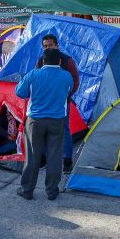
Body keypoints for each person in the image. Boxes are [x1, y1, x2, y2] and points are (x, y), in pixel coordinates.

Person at [16, 48, 74, 201]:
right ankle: (52, 191)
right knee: (55, 156)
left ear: (43, 60)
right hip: (57, 120)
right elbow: (69, 91)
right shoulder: (66, 76)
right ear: (60, 61)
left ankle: (27, 189)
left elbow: (20, 92)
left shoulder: (33, 74)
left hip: (35, 121)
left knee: (33, 156)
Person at [34, 34, 80, 173]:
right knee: (41, 130)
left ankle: (67, 161)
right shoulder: (41, 60)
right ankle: (42, 158)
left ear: (57, 45)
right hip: (45, 103)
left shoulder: (68, 60)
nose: (48, 48)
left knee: (64, 130)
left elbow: (75, 82)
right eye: (45, 46)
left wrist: (66, 95)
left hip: (62, 102)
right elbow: (37, 79)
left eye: (50, 45)